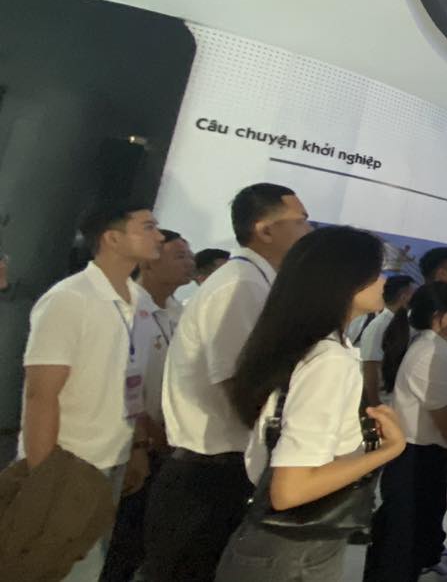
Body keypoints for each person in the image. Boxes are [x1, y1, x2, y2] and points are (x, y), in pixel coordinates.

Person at [213, 226, 406, 581]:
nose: (383, 282)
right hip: (292, 555)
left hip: (288, 547)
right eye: (375, 273)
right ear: (344, 280)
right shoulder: (329, 360)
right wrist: (388, 450)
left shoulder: (313, 347)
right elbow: (291, 489)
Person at [143, 183, 311, 582]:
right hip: (209, 474)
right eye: (301, 221)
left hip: (221, 469)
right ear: (265, 230)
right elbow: (240, 383)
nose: (308, 231)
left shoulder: (256, 281)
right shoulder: (241, 284)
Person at [18, 200, 165, 581]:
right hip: (67, 461)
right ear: (112, 238)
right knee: (48, 566)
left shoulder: (140, 301)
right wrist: (42, 475)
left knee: (87, 566)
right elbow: (41, 394)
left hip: (113, 458)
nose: (159, 236)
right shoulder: (70, 298)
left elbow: (132, 383)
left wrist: (136, 447)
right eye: (148, 227)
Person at [102, 229, 195, 582]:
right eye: (179, 256)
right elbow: (122, 382)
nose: (189, 263)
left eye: (190, 255)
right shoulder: (129, 309)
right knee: (115, 540)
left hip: (165, 442)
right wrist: (144, 438)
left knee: (142, 541)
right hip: (131, 442)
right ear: (149, 264)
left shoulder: (179, 312)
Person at [365, 282, 447, 581]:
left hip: (426, 458)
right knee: (401, 547)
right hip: (416, 461)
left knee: (412, 540)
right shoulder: (429, 354)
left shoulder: (441, 348)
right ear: (441, 315)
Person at [357, 275, 419, 405]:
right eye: (415, 294)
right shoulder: (378, 326)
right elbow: (370, 366)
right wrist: (375, 403)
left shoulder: (407, 323)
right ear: (404, 297)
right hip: (384, 398)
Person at [347, 274, 415, 348]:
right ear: (403, 297)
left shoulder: (405, 324)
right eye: (414, 294)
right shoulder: (366, 318)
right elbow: (346, 344)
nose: (417, 297)